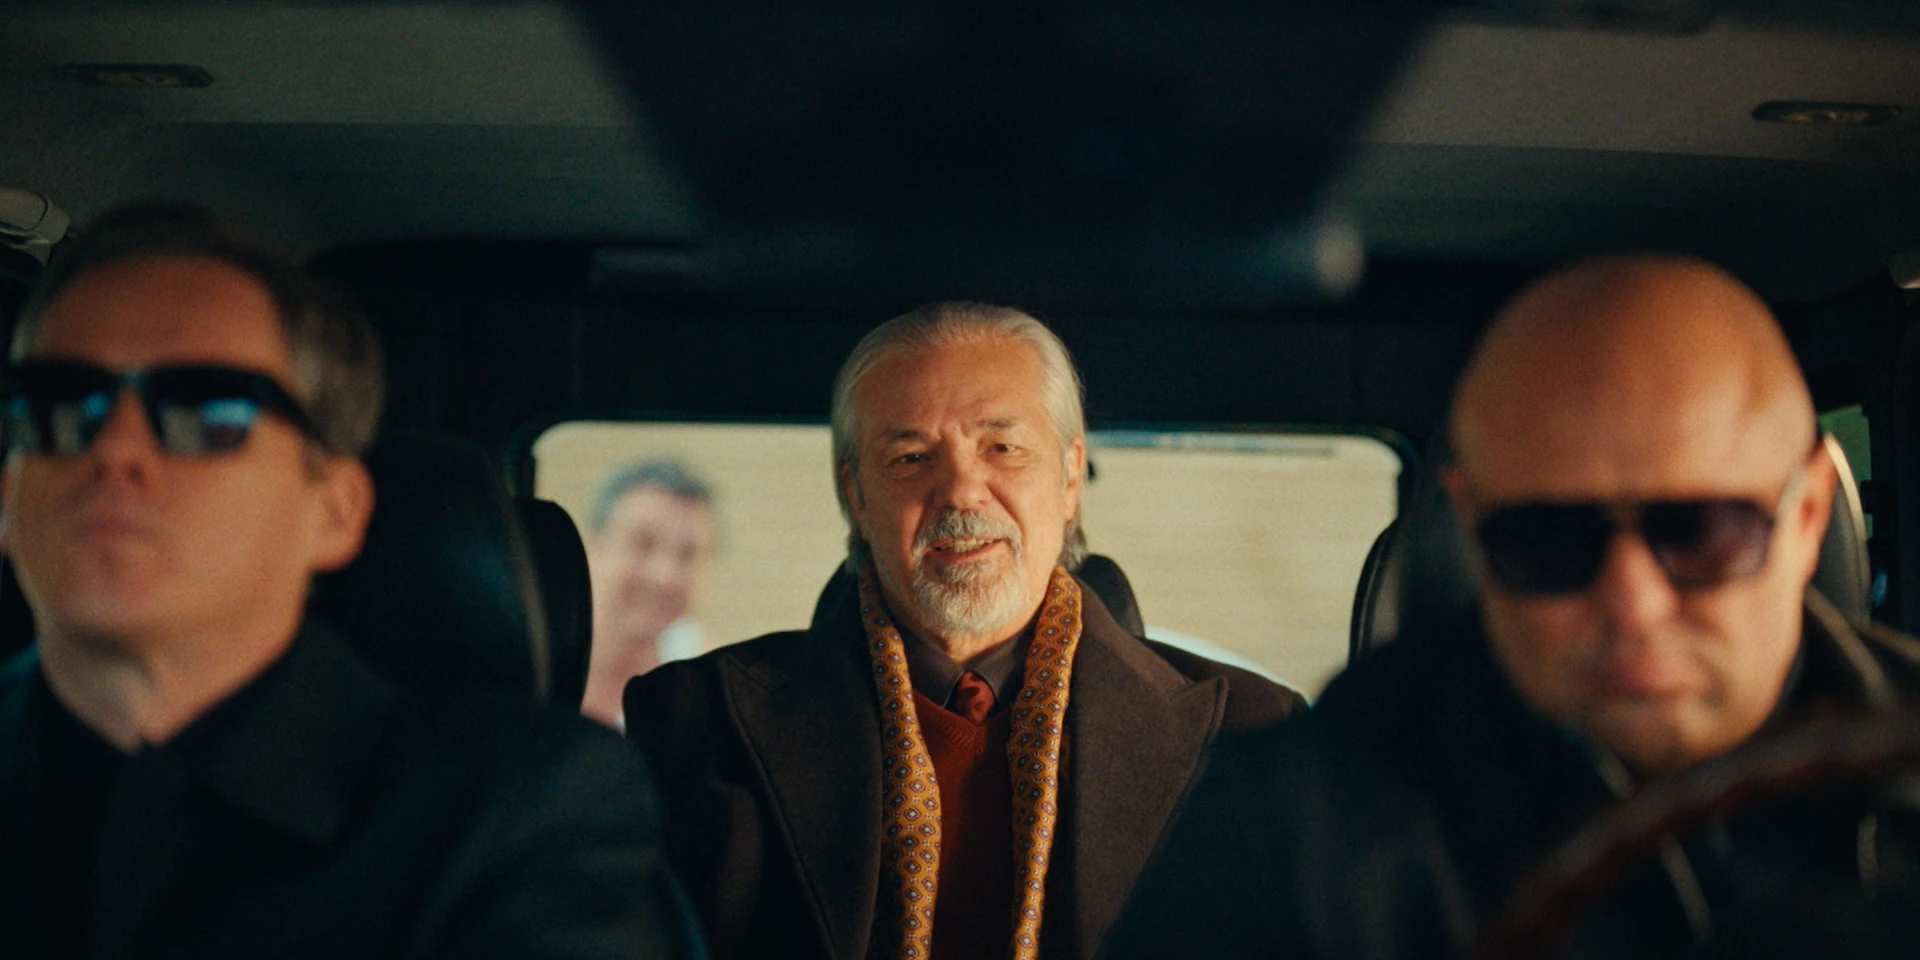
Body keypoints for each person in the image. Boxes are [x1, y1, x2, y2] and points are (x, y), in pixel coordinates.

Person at [1103, 254, 1920, 959]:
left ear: (1808, 514)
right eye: (1548, 541)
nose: (1632, 602)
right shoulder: (1300, 824)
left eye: (1698, 531)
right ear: (1471, 529)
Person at [0, 203, 699, 958]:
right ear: (7, 497)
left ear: (334, 511)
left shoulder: (520, 808)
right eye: (60, 409)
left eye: (206, 412)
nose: (113, 452)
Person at [625, 302, 1305, 960]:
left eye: (1003, 448)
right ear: (856, 495)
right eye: (912, 458)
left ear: (1070, 477)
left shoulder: (1252, 732)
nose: (961, 491)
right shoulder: (695, 720)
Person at [583, 459, 717, 730]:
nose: (665, 577)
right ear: (593, 547)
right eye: (643, 544)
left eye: (688, 554)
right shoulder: (535, 663)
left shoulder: (712, 684)